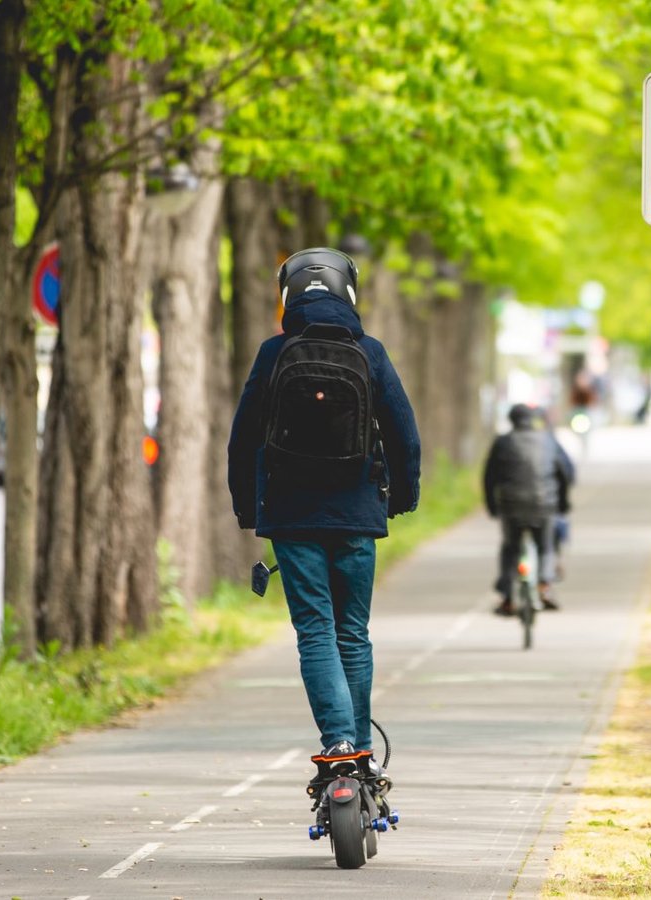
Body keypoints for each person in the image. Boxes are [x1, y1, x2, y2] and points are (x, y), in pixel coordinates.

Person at [227, 247, 422, 783]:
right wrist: (402, 496)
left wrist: (250, 507)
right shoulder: (371, 352)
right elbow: (404, 434)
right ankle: (360, 753)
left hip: (291, 517)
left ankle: (336, 742)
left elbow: (242, 439)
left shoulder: (274, 353)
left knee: (315, 630)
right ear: (348, 292)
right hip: (357, 515)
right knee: (352, 633)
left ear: (287, 295)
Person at [482, 403, 575, 616]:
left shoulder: (503, 442)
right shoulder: (549, 440)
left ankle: (507, 598)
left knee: (510, 549)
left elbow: (489, 477)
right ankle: (544, 586)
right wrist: (563, 502)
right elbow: (565, 473)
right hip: (545, 505)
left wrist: (492, 506)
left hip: (511, 506)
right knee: (546, 547)